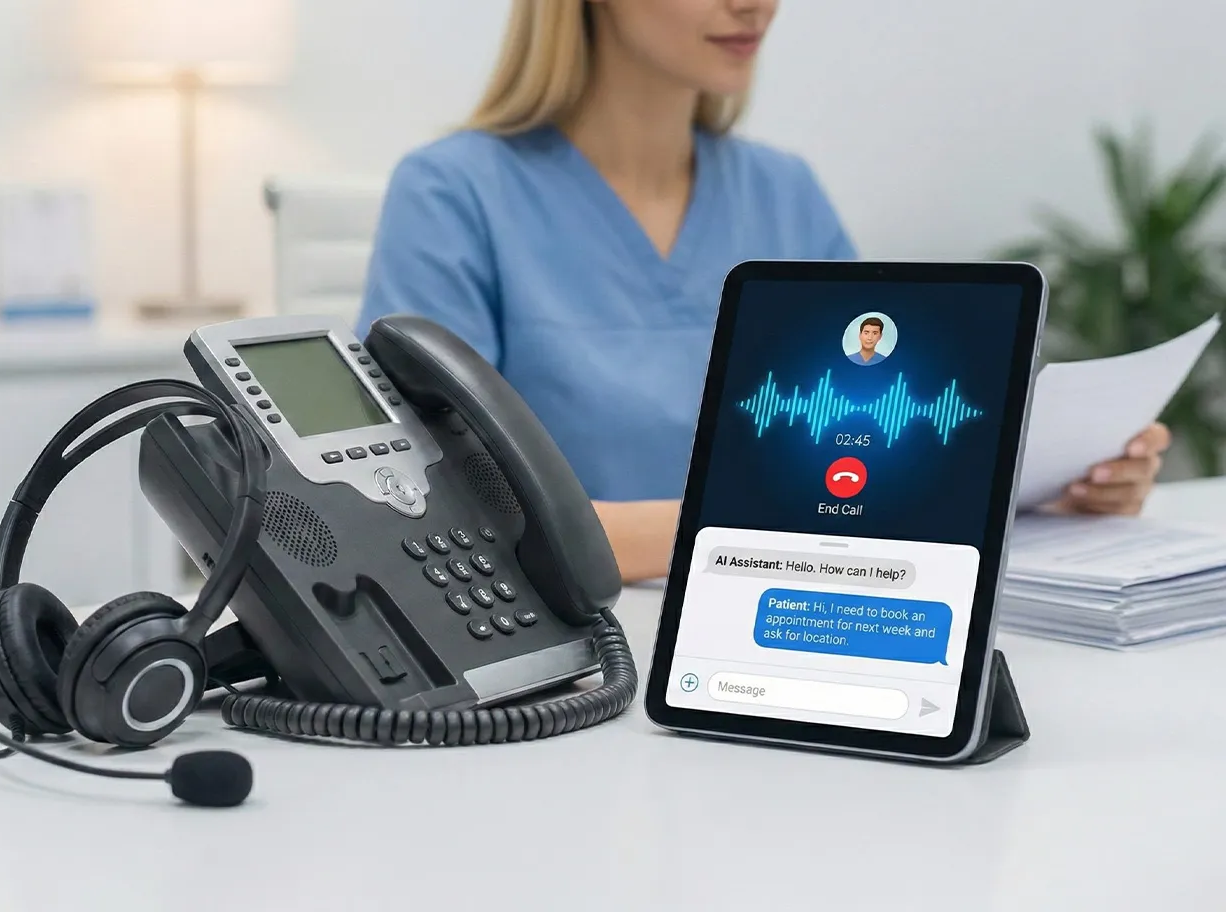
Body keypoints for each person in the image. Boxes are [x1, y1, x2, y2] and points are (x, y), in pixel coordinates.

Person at [355, 0, 1171, 582]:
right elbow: (440, 513)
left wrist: (1047, 490)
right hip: (580, 663)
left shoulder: (786, 193)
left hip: (791, 625)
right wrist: (744, 528)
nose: (756, 6)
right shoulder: (452, 194)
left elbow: (877, 442)